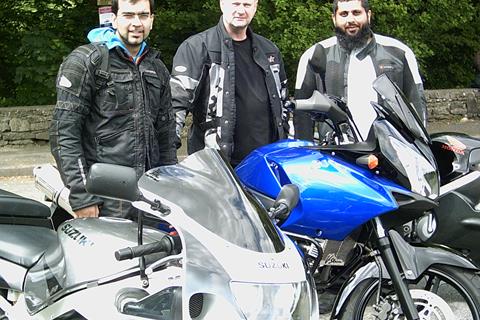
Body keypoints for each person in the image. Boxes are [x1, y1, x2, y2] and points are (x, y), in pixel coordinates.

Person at [49, 0, 177, 219]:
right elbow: (64, 134)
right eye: (128, 15)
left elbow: (166, 137)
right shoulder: (87, 62)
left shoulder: (156, 67)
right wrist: (82, 196)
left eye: (143, 15)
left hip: (148, 199)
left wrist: (170, 190)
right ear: (115, 18)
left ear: (152, 21)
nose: (136, 23)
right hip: (103, 199)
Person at [170, 0, 289, 167]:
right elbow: (176, 105)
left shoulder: (270, 50)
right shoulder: (197, 48)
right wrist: (167, 156)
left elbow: (284, 104)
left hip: (267, 164)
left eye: (247, 5)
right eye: (236, 4)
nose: (241, 10)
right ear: (222, 4)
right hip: (216, 166)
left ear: (255, 6)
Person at [294, 0, 427, 142]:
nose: (350, 19)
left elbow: (417, 106)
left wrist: (421, 147)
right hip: (336, 153)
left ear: (368, 15)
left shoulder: (399, 52)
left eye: (356, 13)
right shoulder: (315, 54)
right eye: (344, 14)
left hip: (391, 152)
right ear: (334, 19)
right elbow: (302, 116)